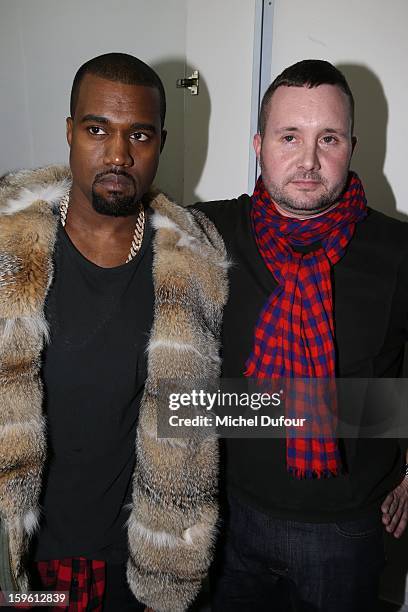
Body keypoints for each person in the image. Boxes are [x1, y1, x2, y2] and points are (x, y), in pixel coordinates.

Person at [0, 53, 228, 612]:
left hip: (133, 569)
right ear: (70, 133)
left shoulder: (195, 263)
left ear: (161, 142)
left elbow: (203, 413)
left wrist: (379, 437)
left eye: (140, 135)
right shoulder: (6, 249)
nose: (119, 154)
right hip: (23, 563)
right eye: (97, 128)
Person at [195, 59, 408, 611]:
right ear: (259, 143)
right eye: (290, 136)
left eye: (328, 138)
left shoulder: (399, 252)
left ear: (352, 145)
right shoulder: (205, 234)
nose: (309, 160)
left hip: (347, 533)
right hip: (227, 520)